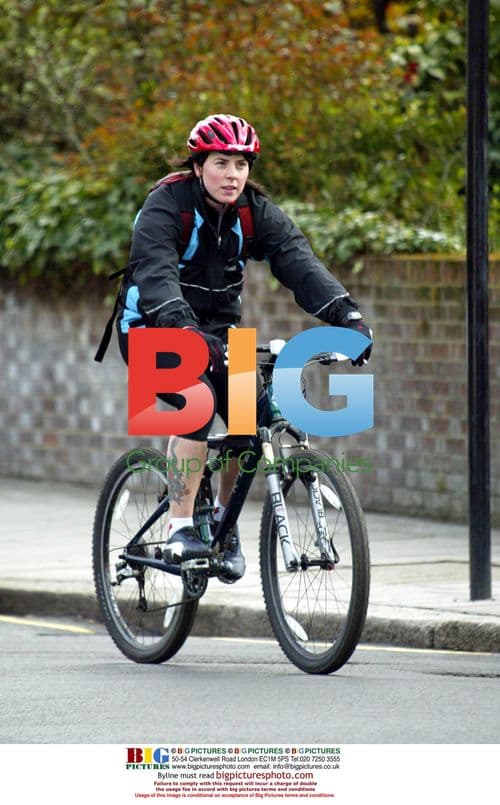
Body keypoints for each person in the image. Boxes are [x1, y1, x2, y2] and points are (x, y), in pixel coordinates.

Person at [115, 113, 372, 582]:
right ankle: (180, 526)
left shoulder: (253, 212)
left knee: (249, 418)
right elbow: (156, 273)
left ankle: (223, 521)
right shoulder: (166, 207)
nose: (232, 175)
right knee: (196, 405)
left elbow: (298, 261)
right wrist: (182, 326)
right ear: (198, 167)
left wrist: (346, 315)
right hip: (153, 328)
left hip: (217, 335)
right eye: (220, 163)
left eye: (240, 164)